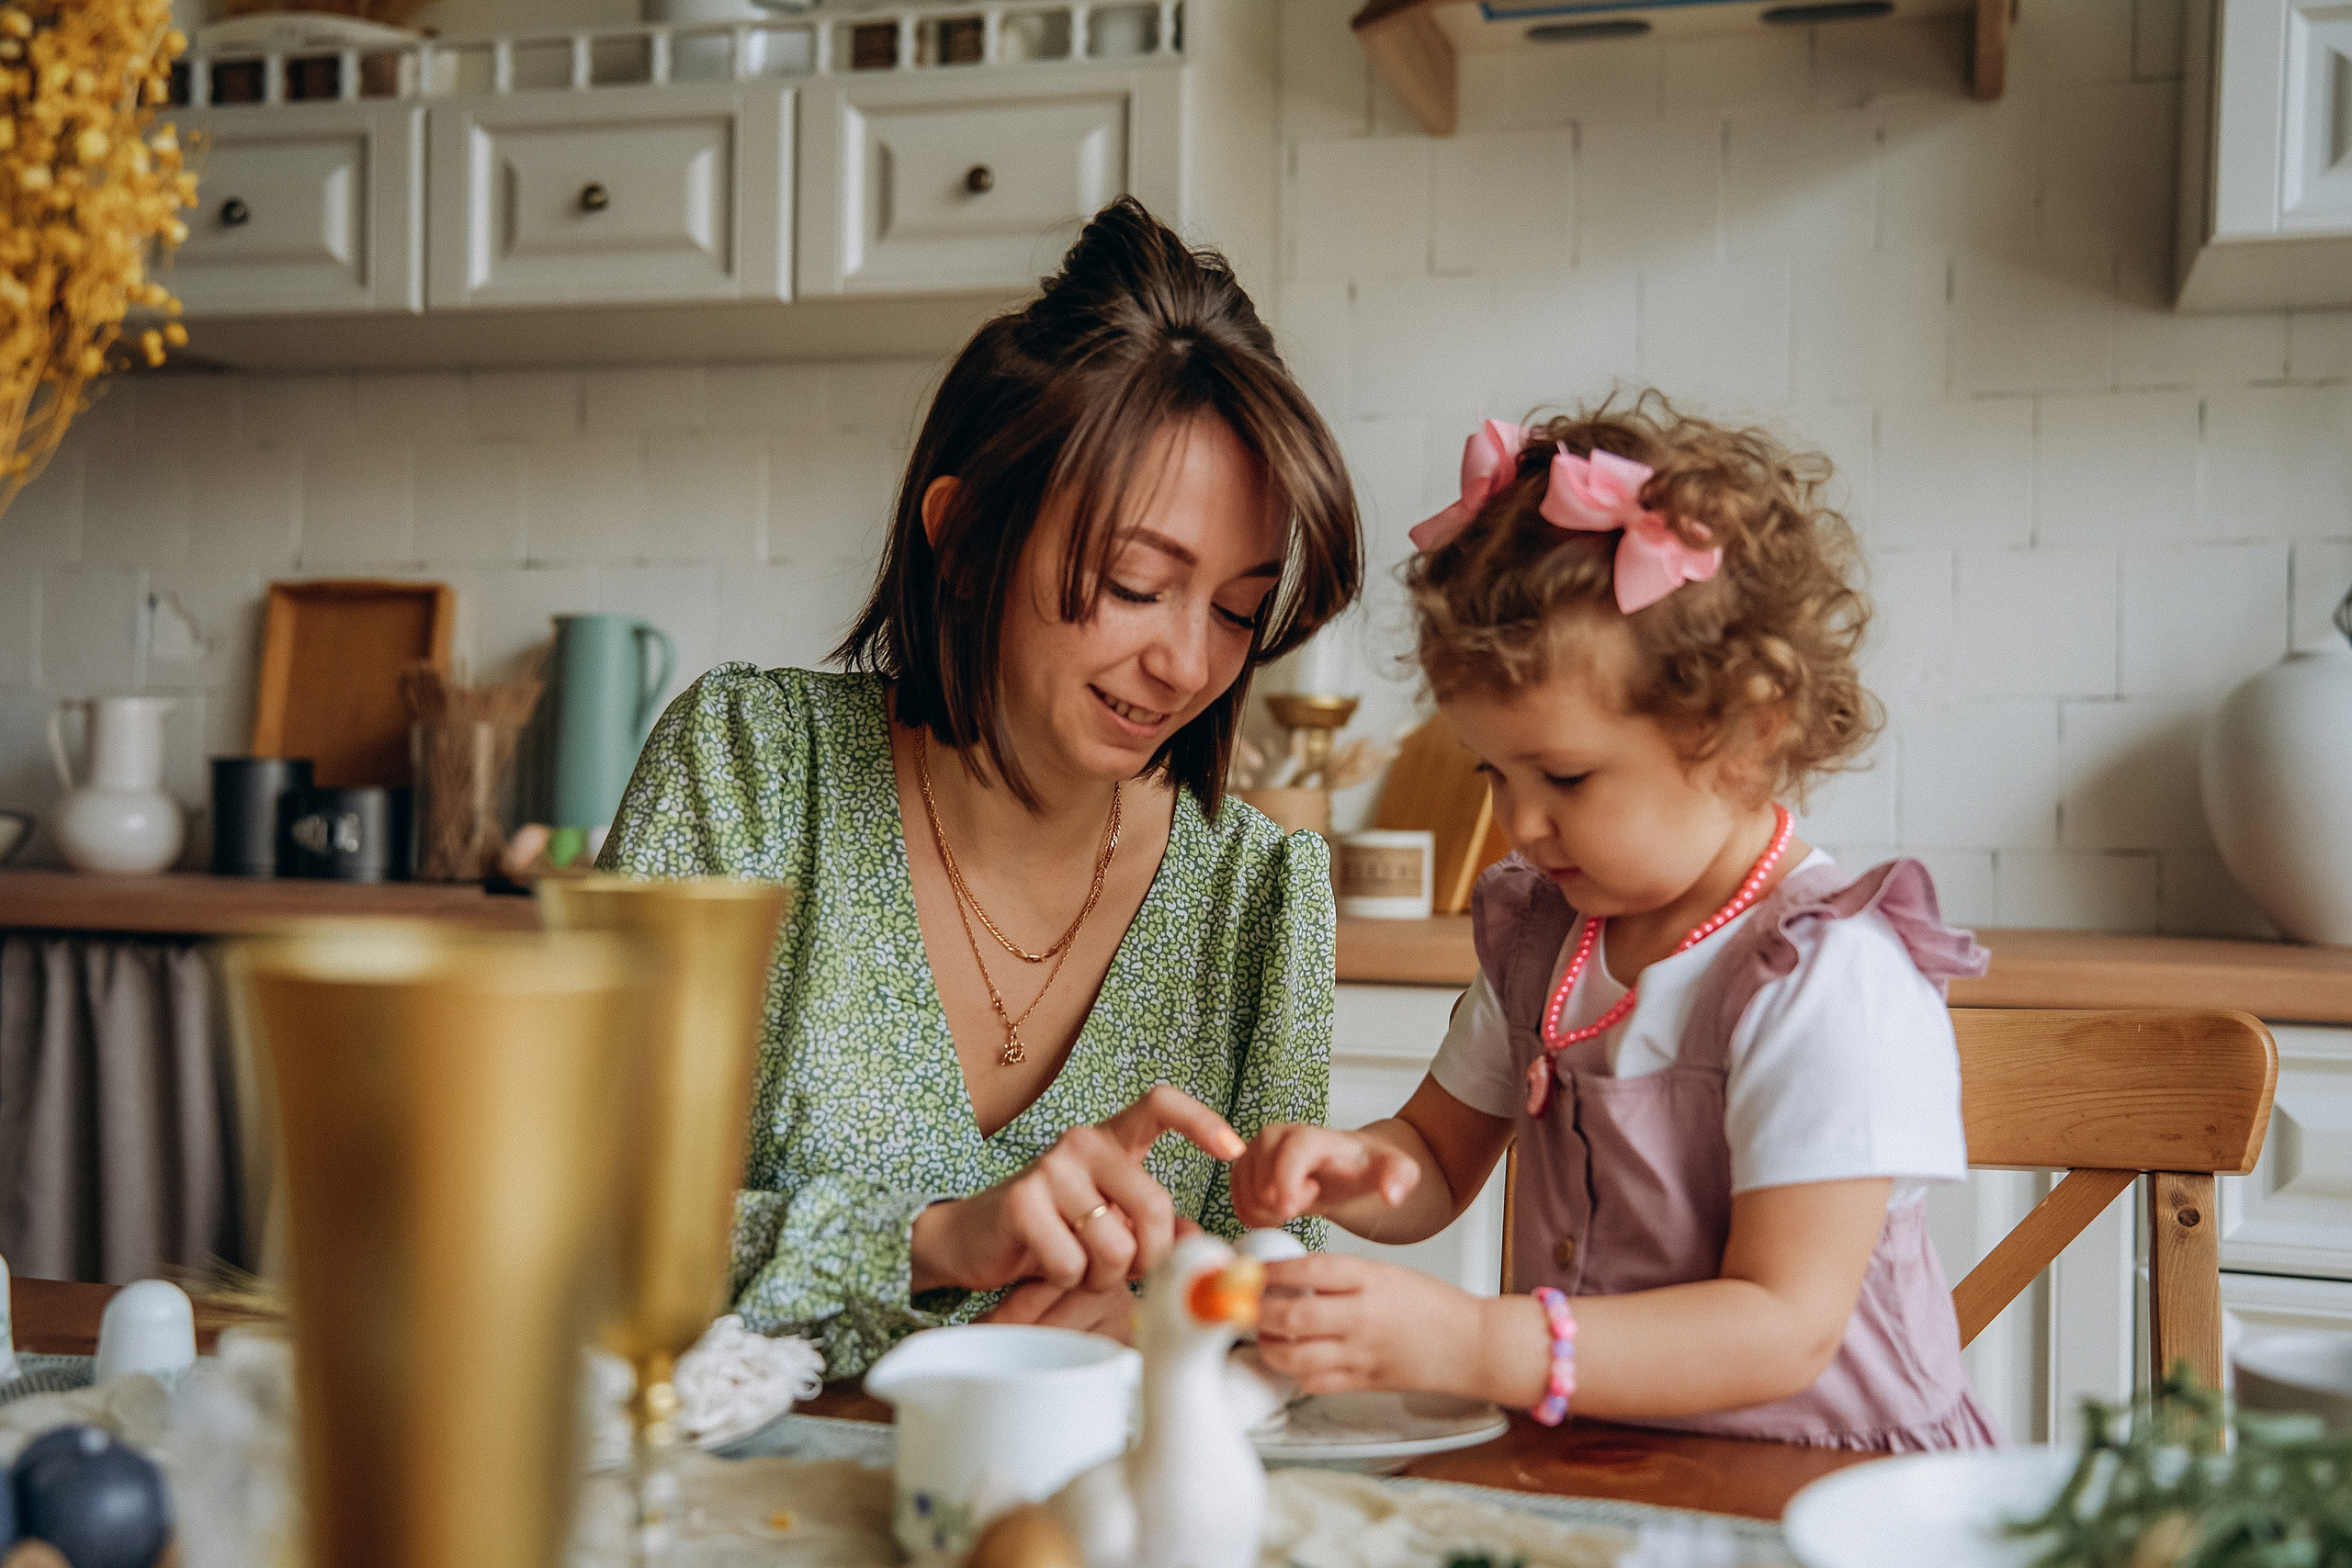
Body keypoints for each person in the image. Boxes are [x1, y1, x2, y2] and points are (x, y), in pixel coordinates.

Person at [599, 198, 1363, 1375]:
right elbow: (575, 1225)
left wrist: (1191, 1320)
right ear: (961, 541)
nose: (1189, 663)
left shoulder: (1258, 897)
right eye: (1133, 581)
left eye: (1236, 609)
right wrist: (936, 1241)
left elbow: (1267, 1309)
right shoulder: (747, 770)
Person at [1234, 398, 2000, 1451]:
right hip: (1610, 1460)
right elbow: (1435, 1156)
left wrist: (1469, 1340)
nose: (1518, 821)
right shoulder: (1543, 937)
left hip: (1823, 1491)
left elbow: (1780, 1328)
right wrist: (1352, 1170)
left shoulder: (1828, 977)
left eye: (1565, 774)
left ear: (1746, 727)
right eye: (1492, 772)